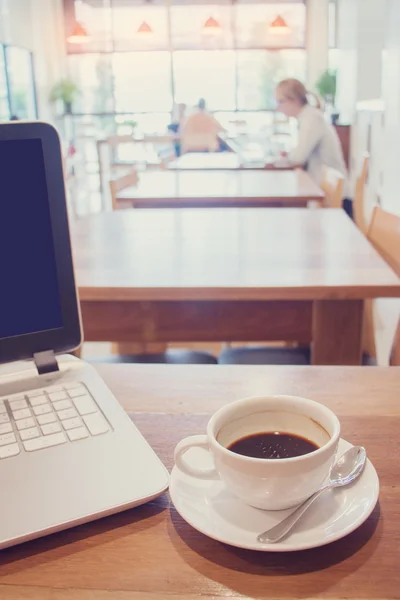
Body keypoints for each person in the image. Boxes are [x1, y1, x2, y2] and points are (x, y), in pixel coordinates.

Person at [274, 78, 351, 216]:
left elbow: (298, 157)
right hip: (324, 195)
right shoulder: (307, 117)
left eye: (280, 102)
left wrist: (284, 158)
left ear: (294, 100)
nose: (278, 108)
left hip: (337, 202)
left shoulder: (312, 119)